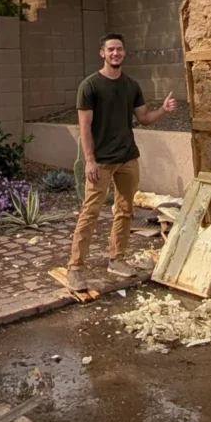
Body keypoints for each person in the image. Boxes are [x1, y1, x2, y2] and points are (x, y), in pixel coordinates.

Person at [67, 32, 177, 291]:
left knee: (125, 211)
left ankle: (117, 259)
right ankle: (76, 268)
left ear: (124, 53)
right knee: (90, 214)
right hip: (101, 162)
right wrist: (90, 161)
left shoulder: (130, 86)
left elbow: (144, 118)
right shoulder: (90, 86)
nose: (115, 53)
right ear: (102, 53)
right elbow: (85, 126)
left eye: (119, 49)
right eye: (110, 50)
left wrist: (164, 110)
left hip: (128, 159)